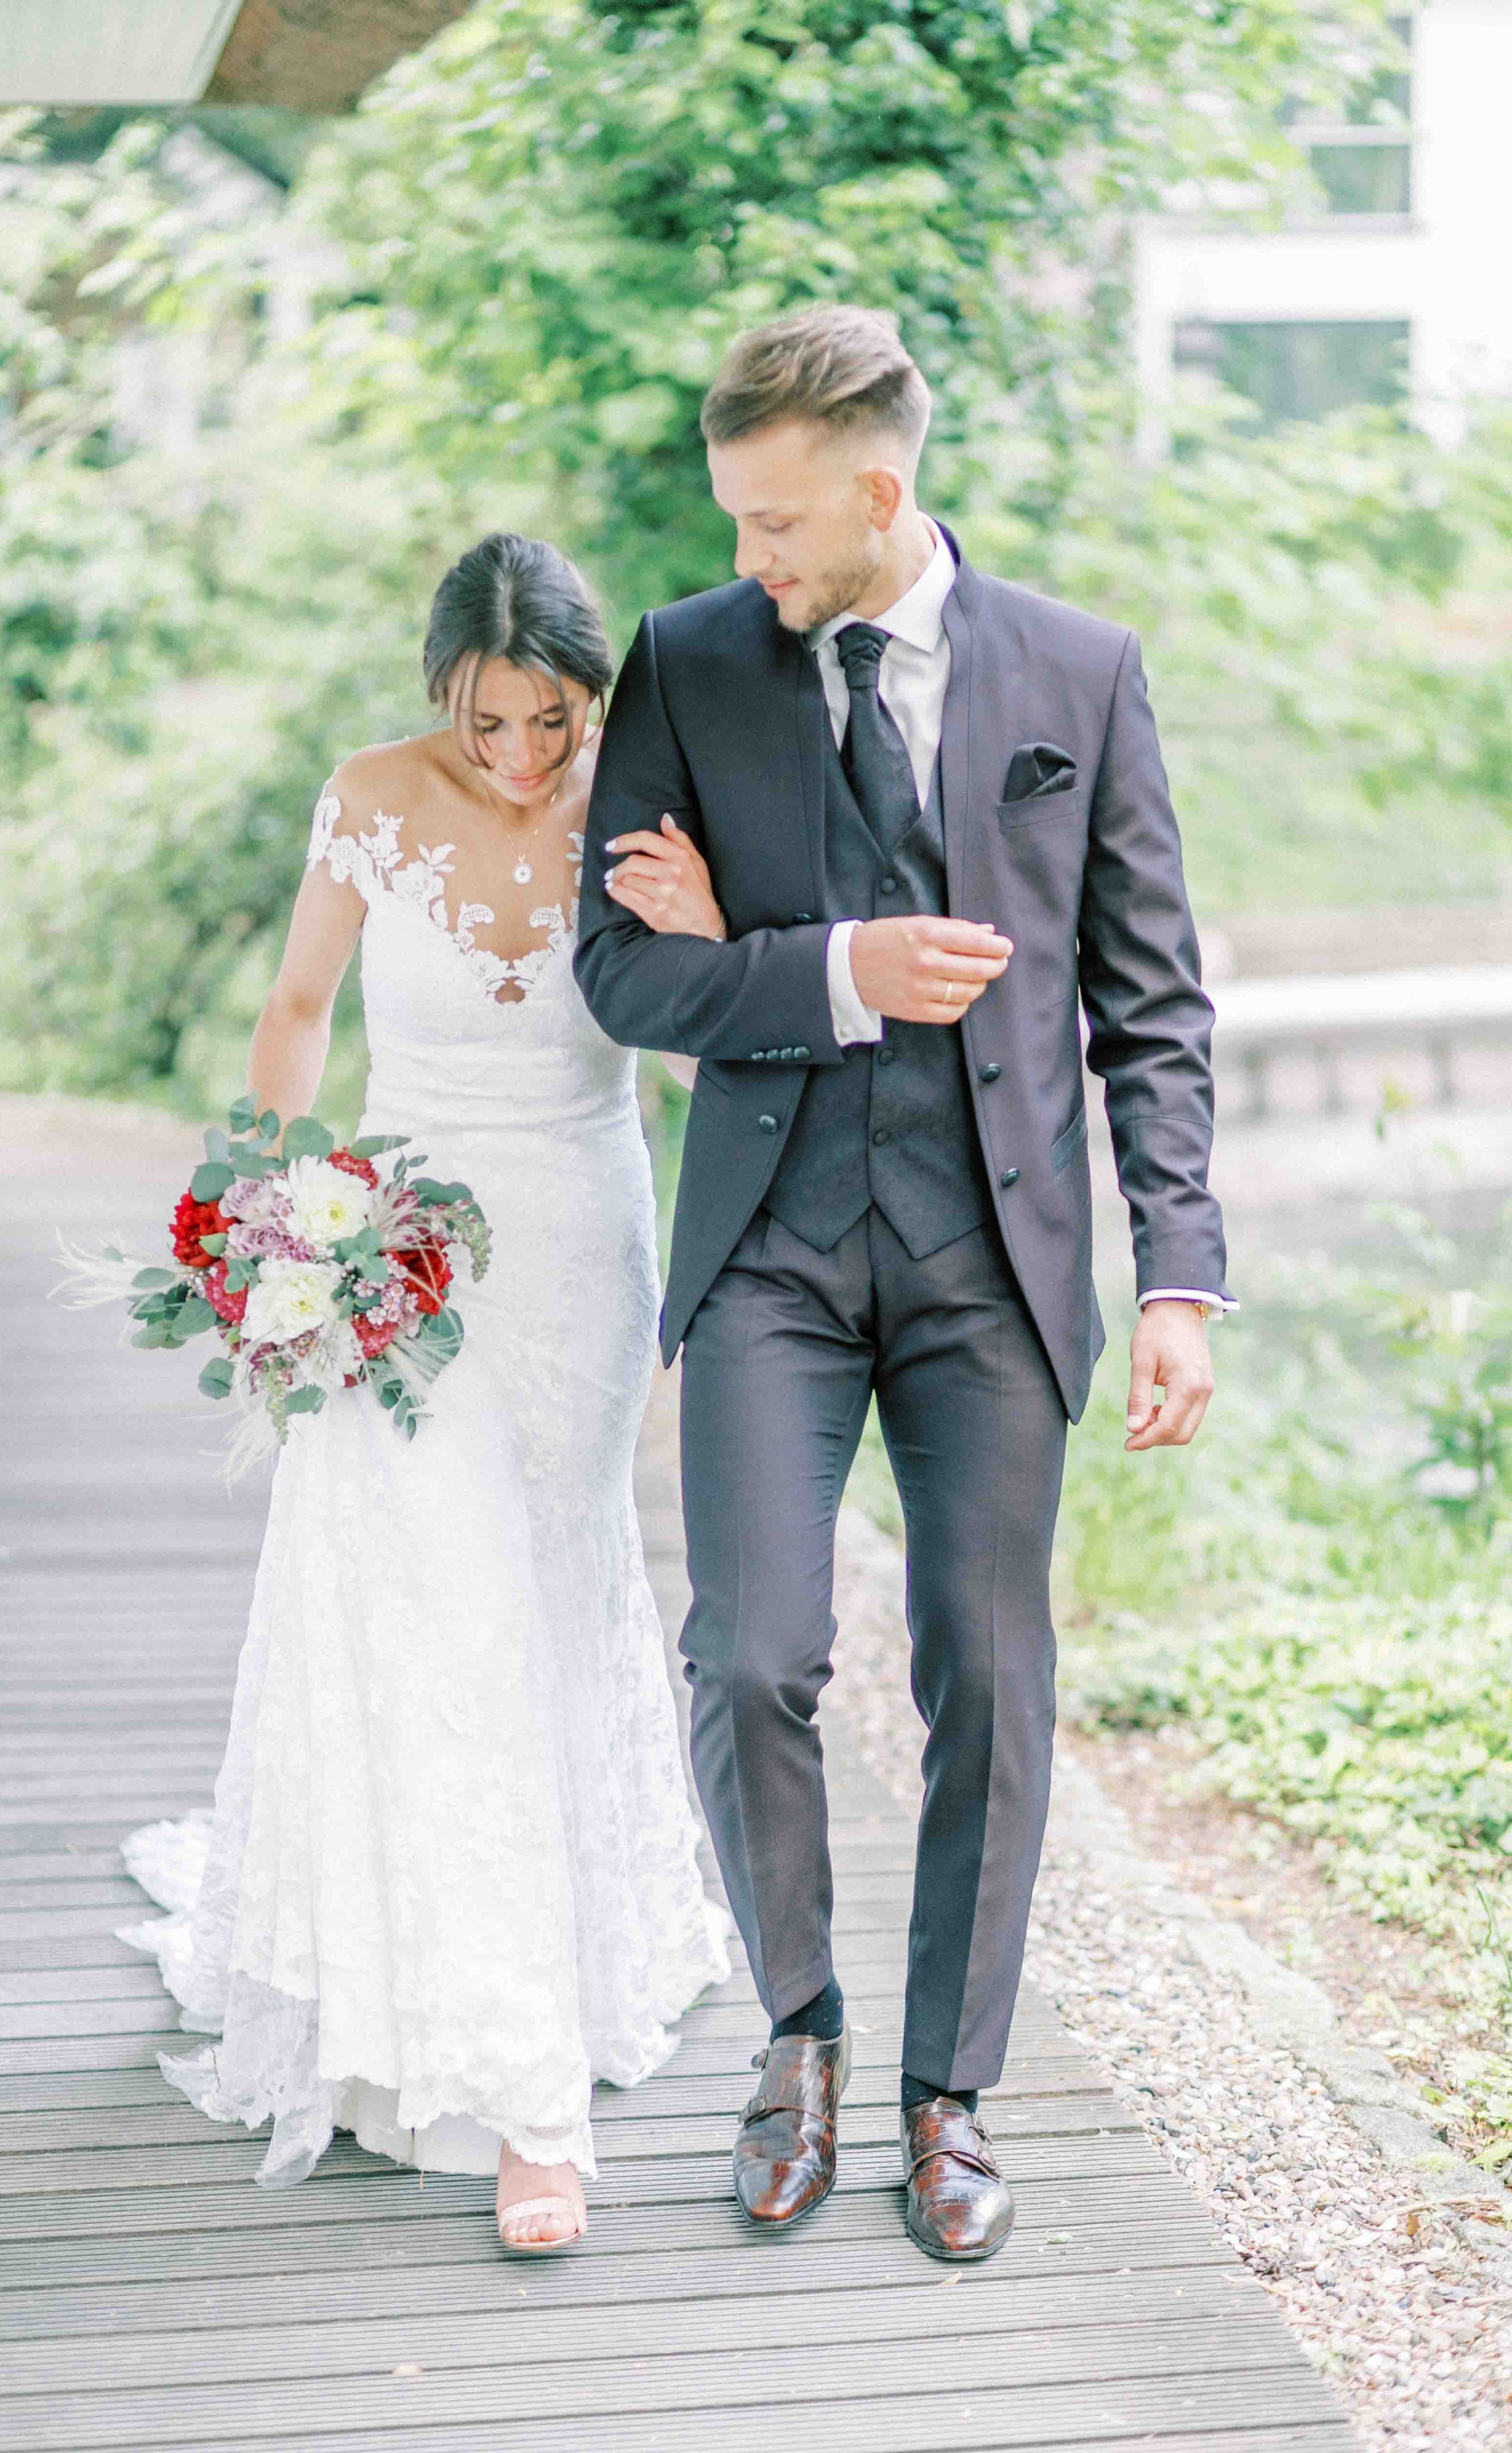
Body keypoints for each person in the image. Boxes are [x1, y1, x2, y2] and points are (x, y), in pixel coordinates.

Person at [575, 304, 1232, 2263]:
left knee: (990, 1674)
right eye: (736, 528)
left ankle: (952, 2089)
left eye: (779, 526)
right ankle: (799, 2044)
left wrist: (1180, 1273)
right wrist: (827, 967)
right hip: (771, 1247)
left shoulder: (1078, 672)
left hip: (993, 1262)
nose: (751, 562)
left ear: (880, 490)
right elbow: (620, 975)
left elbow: (1153, 1003)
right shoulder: (690, 664)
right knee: (751, 1654)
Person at [119, 532, 729, 2255]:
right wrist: (269, 1211)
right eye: (485, 724)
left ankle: (544, 1954)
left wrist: (711, 928)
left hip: (585, 1257)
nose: (521, 756)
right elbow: (302, 1007)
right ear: (435, 698)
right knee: (442, 1615)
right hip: (400, 1255)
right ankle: (529, 2104)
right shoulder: (371, 799)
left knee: (545, 1590)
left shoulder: (652, 800)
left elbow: (697, 1052)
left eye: (552, 720)